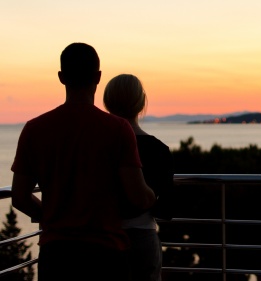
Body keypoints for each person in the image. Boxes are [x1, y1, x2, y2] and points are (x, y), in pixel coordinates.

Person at [11, 43, 156, 281]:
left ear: (61, 77)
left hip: (56, 254)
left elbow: (19, 196)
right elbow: (138, 197)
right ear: (98, 77)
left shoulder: (34, 129)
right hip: (105, 253)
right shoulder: (117, 129)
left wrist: (51, 218)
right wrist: (155, 195)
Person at [103, 74, 175, 281]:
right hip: (143, 238)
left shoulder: (98, 147)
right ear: (141, 103)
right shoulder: (159, 150)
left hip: (103, 239)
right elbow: (167, 209)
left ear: (108, 103)